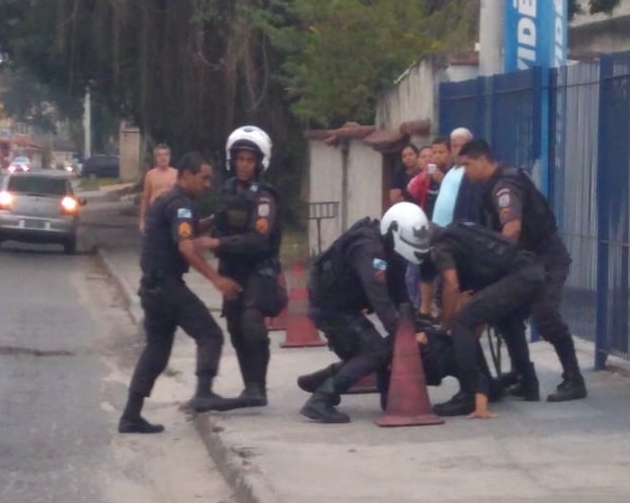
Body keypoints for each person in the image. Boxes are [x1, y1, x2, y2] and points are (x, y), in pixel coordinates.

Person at [118, 152, 242, 434]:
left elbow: (183, 231)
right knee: (210, 334)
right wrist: (216, 280)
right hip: (167, 286)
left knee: (157, 351)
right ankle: (203, 394)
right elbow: (186, 246)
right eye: (204, 177)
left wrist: (213, 220)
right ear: (186, 175)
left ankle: (130, 415)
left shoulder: (168, 202)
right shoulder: (180, 205)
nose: (207, 184)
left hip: (152, 286)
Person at [458, 138, 587, 402]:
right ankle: (524, 377)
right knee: (507, 317)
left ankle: (574, 379)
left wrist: (497, 265)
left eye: (467, 165)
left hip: (545, 259)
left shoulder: (505, 186)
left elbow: (512, 228)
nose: (466, 172)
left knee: (545, 315)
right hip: (526, 262)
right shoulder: (493, 185)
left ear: (483, 159)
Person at [387, 204, 545, 418]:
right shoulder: (456, 234)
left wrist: (445, 326)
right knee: (496, 323)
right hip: (528, 270)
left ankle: (470, 395)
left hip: (519, 275)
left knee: (462, 322)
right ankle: (524, 383)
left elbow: (451, 285)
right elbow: (467, 294)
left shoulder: (440, 247)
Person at [297, 210, 410, 424]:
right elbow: (381, 299)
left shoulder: (390, 248)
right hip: (330, 308)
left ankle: (322, 380)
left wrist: (413, 321)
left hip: (343, 306)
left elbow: (399, 292)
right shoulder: (369, 250)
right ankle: (320, 400)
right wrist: (403, 334)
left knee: (375, 349)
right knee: (376, 350)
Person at [213, 125, 285, 408]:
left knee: (251, 323)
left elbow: (258, 239)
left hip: (259, 268)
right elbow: (218, 223)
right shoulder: (227, 190)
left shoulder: (264, 196)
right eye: (240, 159)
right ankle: (249, 387)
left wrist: (218, 244)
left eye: (250, 160)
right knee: (235, 327)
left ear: (259, 163)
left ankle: (259, 387)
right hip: (232, 269)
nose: (244, 165)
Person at [430, 128, 474, 226]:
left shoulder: (470, 171)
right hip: (438, 229)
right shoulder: (452, 170)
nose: (458, 149)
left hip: (454, 232)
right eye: (455, 146)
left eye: (462, 145)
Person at [138, 144, 178, 234]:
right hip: (155, 213)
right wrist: (142, 221)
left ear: (169, 157)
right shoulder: (150, 175)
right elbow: (145, 198)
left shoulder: (176, 174)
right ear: (155, 158)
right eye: (160, 155)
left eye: (166, 154)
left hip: (171, 213)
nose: (163, 158)